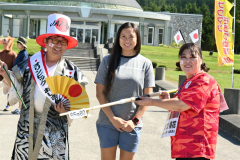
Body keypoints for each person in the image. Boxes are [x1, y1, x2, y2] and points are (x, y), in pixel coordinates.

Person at [0, 13, 89, 160]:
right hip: (27, 130)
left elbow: (81, 108)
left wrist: (68, 110)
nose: (58, 45)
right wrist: (6, 75)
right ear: (46, 43)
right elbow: (17, 89)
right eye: (54, 40)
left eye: (63, 42)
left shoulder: (72, 71)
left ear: (67, 46)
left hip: (55, 135)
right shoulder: (29, 64)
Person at [135, 43, 228, 160]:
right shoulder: (188, 81)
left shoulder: (203, 80)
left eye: (192, 57)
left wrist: (151, 102)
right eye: (183, 57)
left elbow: (182, 105)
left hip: (197, 148)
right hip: (184, 147)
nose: (187, 61)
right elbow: (181, 108)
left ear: (201, 60)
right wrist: (167, 101)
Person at [95, 22, 155, 160]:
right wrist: (112, 119)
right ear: (118, 38)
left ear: (137, 39)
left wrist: (134, 121)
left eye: (131, 36)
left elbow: (148, 98)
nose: (127, 40)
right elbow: (100, 93)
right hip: (107, 122)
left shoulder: (145, 64)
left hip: (132, 125)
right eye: (123, 36)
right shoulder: (107, 61)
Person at [11, 36, 29, 114]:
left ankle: (20, 108)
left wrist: (16, 72)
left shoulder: (24, 54)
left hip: (21, 75)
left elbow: (23, 65)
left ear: (22, 45)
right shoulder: (21, 53)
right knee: (20, 91)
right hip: (18, 74)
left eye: (18, 43)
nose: (17, 44)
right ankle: (20, 108)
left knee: (22, 91)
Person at [0, 36, 17, 111]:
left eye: (6, 43)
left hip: (9, 76)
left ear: (10, 44)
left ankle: (8, 104)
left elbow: (15, 66)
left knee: (10, 90)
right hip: (0, 75)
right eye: (3, 43)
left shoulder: (13, 54)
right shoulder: (0, 53)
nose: (4, 45)